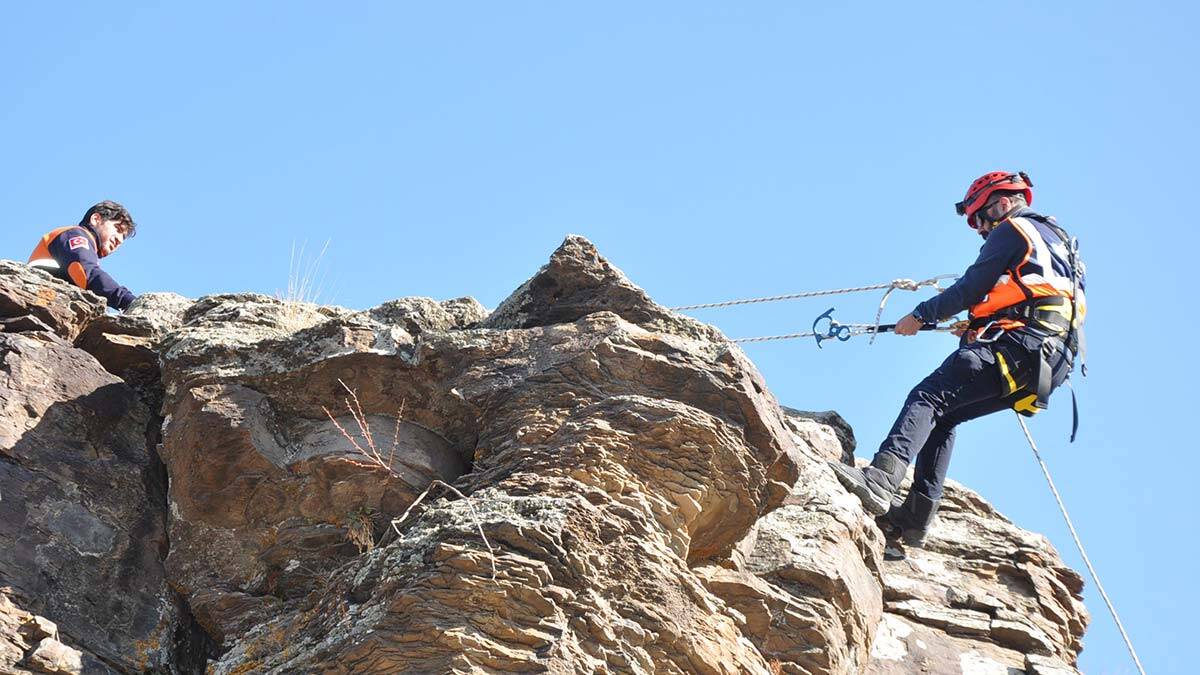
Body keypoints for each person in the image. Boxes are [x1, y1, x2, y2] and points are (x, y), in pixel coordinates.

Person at [829, 171, 1087, 546]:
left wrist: (920, 315)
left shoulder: (1012, 230)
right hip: (1049, 362)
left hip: (1022, 344)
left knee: (928, 397)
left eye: (980, 218)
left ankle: (881, 479)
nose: (980, 230)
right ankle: (913, 522)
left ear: (1002, 202)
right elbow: (1034, 294)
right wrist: (979, 323)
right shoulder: (1061, 242)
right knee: (945, 415)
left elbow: (970, 287)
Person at [28, 200, 138, 311]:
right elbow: (85, 272)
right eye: (118, 229)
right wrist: (128, 300)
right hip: (39, 305)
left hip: (45, 307)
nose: (119, 240)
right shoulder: (74, 234)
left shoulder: (81, 243)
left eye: (123, 238)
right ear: (96, 219)